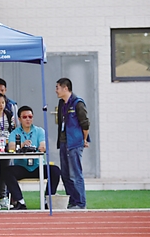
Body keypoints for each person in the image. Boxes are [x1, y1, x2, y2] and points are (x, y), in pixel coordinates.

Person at [2, 106, 61, 210]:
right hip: (22, 166)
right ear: (19, 119)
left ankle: (47, 201)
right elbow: (11, 147)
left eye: (30, 116)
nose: (28, 119)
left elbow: (43, 145)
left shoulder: (39, 131)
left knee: (55, 171)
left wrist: (42, 147)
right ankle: (20, 201)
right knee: (6, 171)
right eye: (24, 117)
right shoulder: (14, 133)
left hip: (38, 166)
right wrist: (21, 145)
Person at [56, 78, 90, 209]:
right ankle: (72, 200)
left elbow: (85, 123)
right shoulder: (61, 103)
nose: (56, 90)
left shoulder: (77, 103)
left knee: (75, 173)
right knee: (65, 174)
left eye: (57, 87)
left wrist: (84, 139)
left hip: (75, 142)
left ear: (65, 88)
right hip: (64, 142)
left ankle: (81, 203)